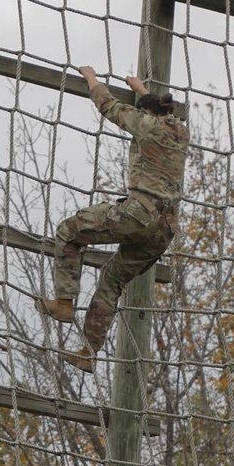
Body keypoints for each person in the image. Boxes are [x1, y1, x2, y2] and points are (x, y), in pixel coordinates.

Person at [40, 68, 189, 373]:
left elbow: (109, 106)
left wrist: (91, 78)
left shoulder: (148, 126)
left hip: (139, 214)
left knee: (69, 231)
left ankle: (64, 302)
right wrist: (141, 88)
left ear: (148, 113)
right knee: (112, 280)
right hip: (165, 230)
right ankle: (89, 352)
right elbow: (154, 107)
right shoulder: (181, 133)